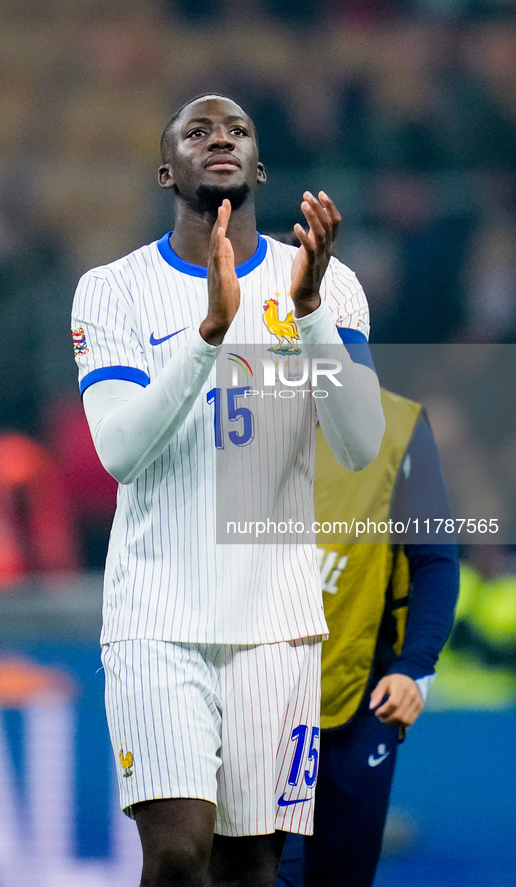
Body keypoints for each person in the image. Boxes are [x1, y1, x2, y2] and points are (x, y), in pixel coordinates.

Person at [71, 94, 385, 887]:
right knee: (178, 855)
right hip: (156, 620)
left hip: (276, 625)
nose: (220, 138)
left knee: (252, 865)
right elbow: (121, 451)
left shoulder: (324, 280)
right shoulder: (112, 290)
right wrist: (210, 335)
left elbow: (358, 442)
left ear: (259, 167)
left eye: (238, 130)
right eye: (198, 130)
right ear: (166, 168)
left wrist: (308, 313)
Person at [276, 388, 460, 887]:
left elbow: (435, 561)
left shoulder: (399, 427)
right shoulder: (240, 413)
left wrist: (415, 665)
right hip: (261, 702)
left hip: (363, 694)